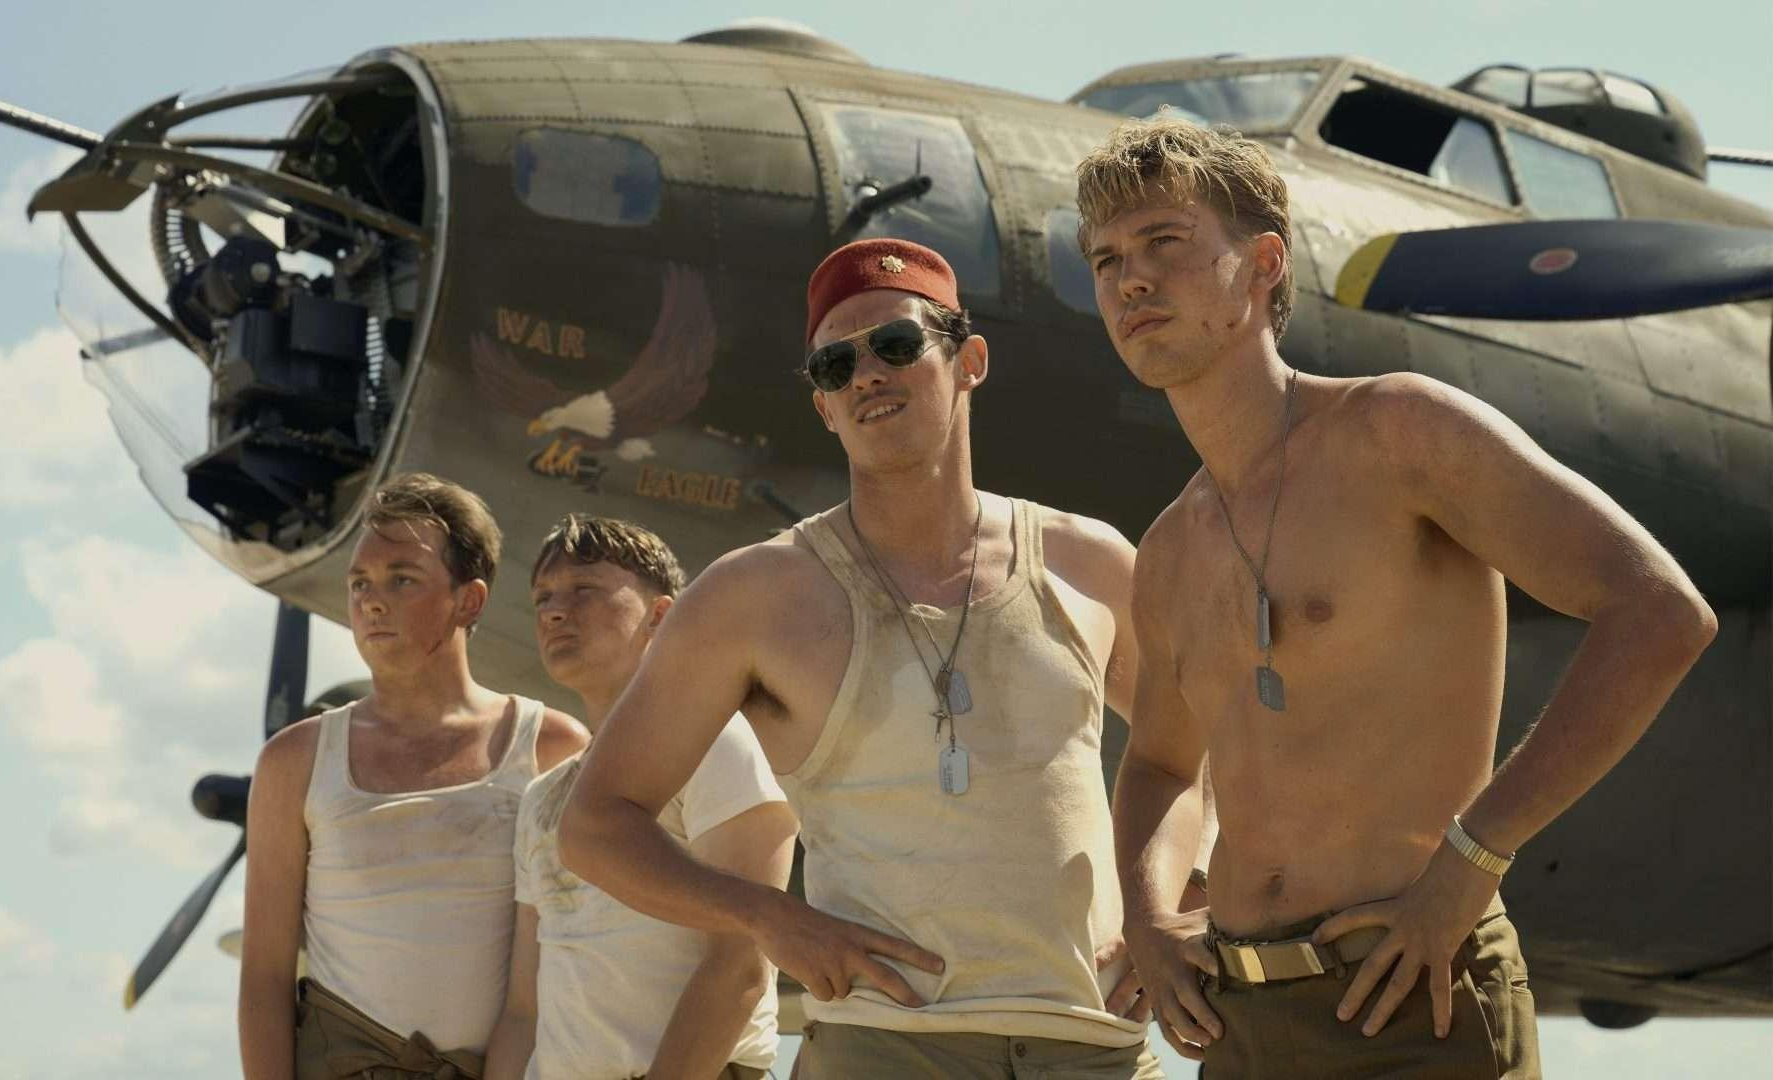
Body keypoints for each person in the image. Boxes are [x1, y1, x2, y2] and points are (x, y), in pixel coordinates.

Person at [1075, 115, 1718, 1078]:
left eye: (1164, 241)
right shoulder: (1169, 549)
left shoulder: (1398, 432)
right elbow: (1162, 766)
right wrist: (1149, 918)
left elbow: (1660, 612)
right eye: (1106, 259)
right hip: (1242, 1024)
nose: (1131, 279)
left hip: (1418, 998)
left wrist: (1477, 858)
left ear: (1262, 265)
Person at [557, 238, 1165, 1079]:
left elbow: (1202, 746)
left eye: (896, 344)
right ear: (824, 407)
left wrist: (1178, 898)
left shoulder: (1088, 562)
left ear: (970, 361)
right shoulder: (753, 597)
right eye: (835, 365)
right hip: (884, 1049)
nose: (866, 375)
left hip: (1094, 1050)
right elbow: (594, 825)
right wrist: (770, 917)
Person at [238, 472, 589, 1080]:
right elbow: (265, 977)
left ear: (469, 601)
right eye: (360, 583)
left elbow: (583, 954)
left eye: (402, 579)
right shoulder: (292, 762)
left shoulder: (553, 747)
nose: (372, 601)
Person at [486, 514, 796, 1080]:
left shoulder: (717, 741)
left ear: (661, 615)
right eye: (543, 598)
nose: (555, 611)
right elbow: (522, 1010)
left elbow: (741, 965)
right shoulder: (543, 797)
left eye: (584, 590)